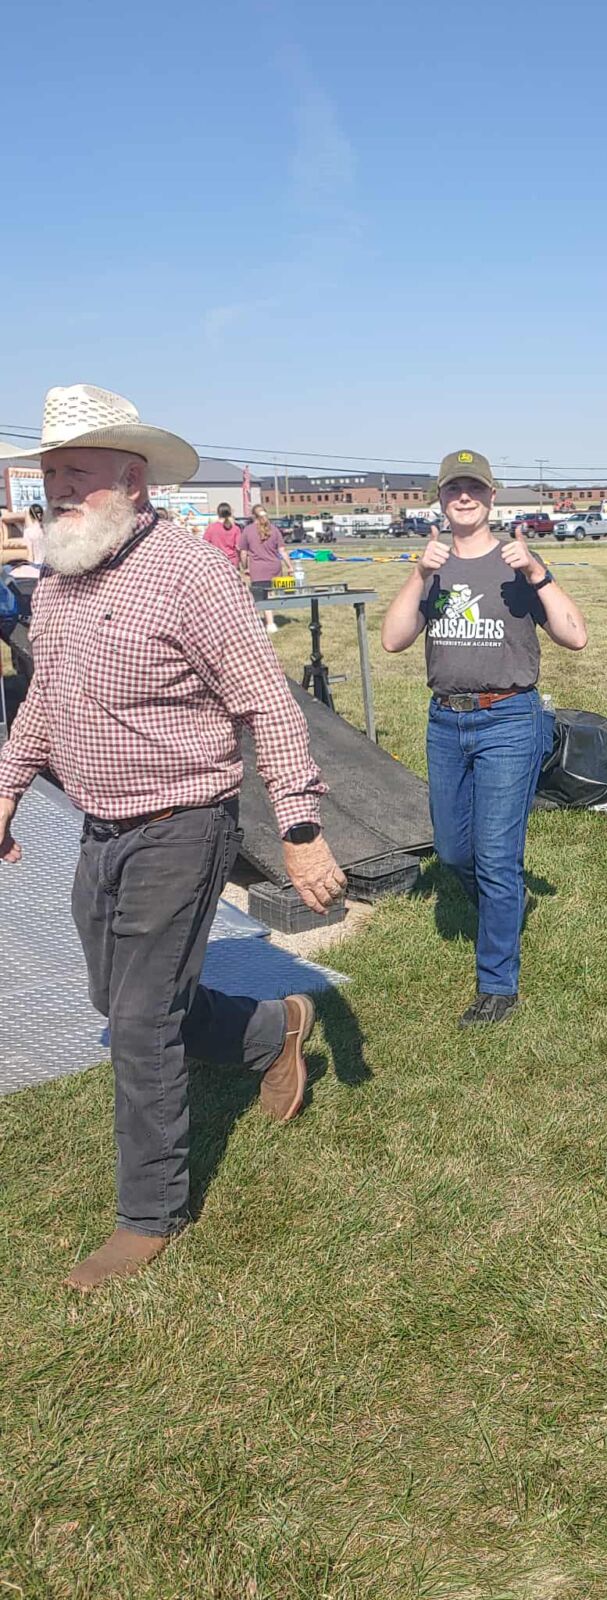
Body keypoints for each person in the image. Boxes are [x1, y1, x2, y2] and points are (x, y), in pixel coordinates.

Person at [0, 383, 347, 1291]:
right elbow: (44, 701)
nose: (57, 490)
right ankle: (275, 1026)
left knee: (144, 1021)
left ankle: (148, 1214)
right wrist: (4, 791)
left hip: (182, 825)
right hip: (97, 828)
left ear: (133, 479)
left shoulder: (193, 574)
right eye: (47, 474)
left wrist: (303, 830)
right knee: (120, 1003)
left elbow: (267, 705)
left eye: (75, 472)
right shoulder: (66, 577)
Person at [381, 449, 587, 1026]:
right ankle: (510, 902)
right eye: (453, 489)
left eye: (474, 488)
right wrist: (420, 574)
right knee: (452, 851)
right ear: (440, 499)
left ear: (492, 497)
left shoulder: (519, 561)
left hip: (508, 720)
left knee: (498, 856)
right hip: (445, 721)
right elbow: (393, 640)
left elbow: (576, 637)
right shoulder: (434, 564)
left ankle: (497, 983)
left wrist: (537, 574)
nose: (463, 497)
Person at [238, 502, 292, 631]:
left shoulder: (248, 530)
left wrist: (245, 567)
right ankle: (270, 620)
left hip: (258, 569)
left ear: (253, 516)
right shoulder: (274, 529)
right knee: (272, 594)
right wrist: (290, 566)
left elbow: (243, 552)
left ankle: (269, 623)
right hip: (275, 567)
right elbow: (282, 550)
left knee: (261, 596)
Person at [1, 501, 46, 573]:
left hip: (36, 565)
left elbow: (30, 553)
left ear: (30, 516)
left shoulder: (29, 532)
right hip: (46, 566)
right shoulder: (47, 531)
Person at [203, 501, 240, 566]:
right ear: (229, 513)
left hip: (217, 560)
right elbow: (238, 546)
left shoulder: (211, 528)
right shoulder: (235, 529)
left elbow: (204, 544)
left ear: (218, 513)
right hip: (232, 561)